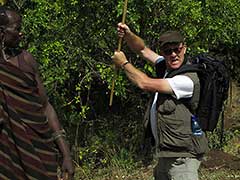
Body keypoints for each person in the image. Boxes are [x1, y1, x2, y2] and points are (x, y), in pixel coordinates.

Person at [112, 23, 209, 180]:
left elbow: (145, 83)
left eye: (177, 50)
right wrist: (128, 35)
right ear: (163, 53)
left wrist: (123, 63)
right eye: (167, 51)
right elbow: (142, 50)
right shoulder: (166, 67)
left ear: (184, 48)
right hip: (166, 154)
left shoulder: (186, 80)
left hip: (183, 159)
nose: (173, 55)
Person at [0, 7, 74, 180]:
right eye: (17, 29)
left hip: (38, 152)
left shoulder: (26, 61)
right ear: (2, 32)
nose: (21, 34)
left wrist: (66, 154)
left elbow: (45, 106)